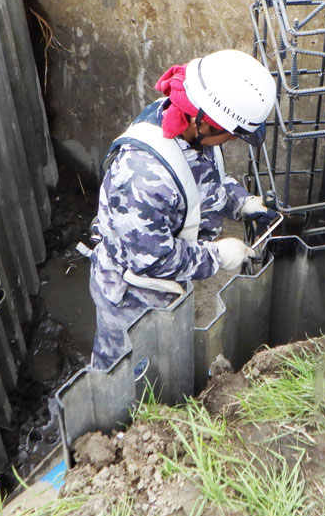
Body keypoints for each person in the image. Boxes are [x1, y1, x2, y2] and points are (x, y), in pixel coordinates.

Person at [88, 49, 278, 371]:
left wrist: (241, 202)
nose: (232, 140)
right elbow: (155, 260)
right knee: (130, 372)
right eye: (232, 133)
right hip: (134, 294)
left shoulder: (188, 129)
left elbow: (201, 179)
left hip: (165, 282)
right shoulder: (141, 178)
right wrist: (217, 256)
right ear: (202, 122)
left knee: (168, 361)